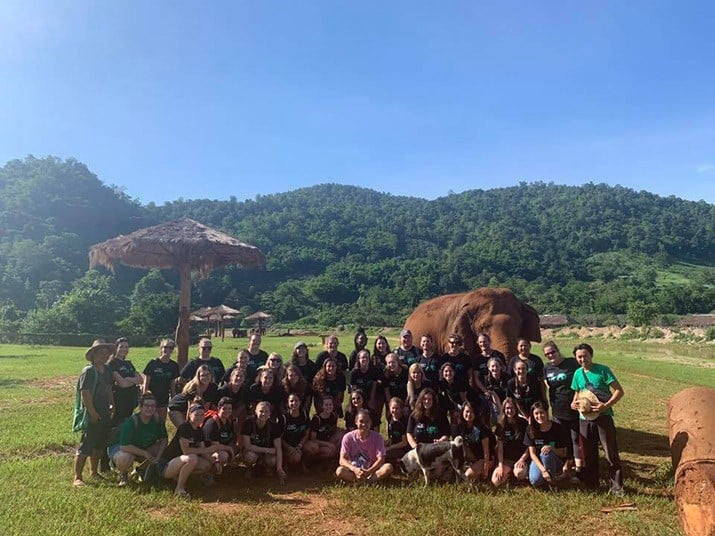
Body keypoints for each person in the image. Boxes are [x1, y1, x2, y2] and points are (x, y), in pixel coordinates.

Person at [569, 343, 625, 495]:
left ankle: (617, 487)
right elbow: (577, 393)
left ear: (591, 355)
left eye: (585, 356)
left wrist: (605, 406)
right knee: (589, 453)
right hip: (584, 419)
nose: (582, 359)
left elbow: (619, 391)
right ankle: (592, 484)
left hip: (603, 418)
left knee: (610, 453)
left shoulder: (603, 370)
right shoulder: (577, 373)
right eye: (579, 357)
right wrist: (574, 403)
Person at [73, 340, 115, 487]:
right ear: (93, 355)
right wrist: (92, 412)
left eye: (106, 353)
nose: (104, 356)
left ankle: (94, 472)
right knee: (86, 444)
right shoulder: (89, 371)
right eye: (100, 353)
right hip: (93, 412)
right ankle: (77, 477)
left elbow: (109, 388)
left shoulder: (107, 370)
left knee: (99, 445)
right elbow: (85, 393)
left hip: (104, 412)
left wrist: (112, 405)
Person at [110, 393, 168, 487]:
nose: (150, 408)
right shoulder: (131, 422)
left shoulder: (158, 421)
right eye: (146, 405)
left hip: (142, 446)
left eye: (153, 406)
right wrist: (145, 453)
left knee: (159, 449)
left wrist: (158, 457)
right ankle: (123, 474)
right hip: (123, 448)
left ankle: (140, 470)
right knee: (124, 458)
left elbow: (164, 439)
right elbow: (124, 446)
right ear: (140, 407)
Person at [542, 340, 582, 474]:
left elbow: (581, 379)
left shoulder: (571, 363)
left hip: (573, 408)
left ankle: (578, 467)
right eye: (547, 354)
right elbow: (546, 383)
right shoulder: (547, 367)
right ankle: (566, 462)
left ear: (558, 351)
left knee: (575, 438)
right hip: (557, 410)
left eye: (552, 352)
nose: (550, 355)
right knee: (563, 438)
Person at [160, 403, 216, 498]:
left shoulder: (199, 431)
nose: (199, 417)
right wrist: (208, 450)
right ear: (190, 415)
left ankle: (178, 477)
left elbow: (203, 450)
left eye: (202, 414)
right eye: (196, 414)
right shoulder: (184, 428)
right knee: (192, 458)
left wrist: (215, 462)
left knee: (206, 465)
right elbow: (186, 451)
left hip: (180, 462)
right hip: (166, 464)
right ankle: (179, 488)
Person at [335, 409, 394, 483]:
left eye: (367, 422)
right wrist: (354, 469)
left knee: (388, 467)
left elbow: (381, 459)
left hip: (372, 470)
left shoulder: (378, 437)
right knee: (340, 471)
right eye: (361, 421)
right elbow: (342, 460)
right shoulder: (348, 437)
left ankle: (363, 481)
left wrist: (369, 471)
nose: (364, 424)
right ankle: (365, 481)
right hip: (354, 470)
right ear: (356, 422)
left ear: (371, 423)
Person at [524, 402, 573, 488]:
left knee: (546, 454)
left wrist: (552, 448)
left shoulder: (557, 428)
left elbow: (564, 453)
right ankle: (550, 476)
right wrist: (543, 470)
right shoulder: (530, 429)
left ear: (547, 413)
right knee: (535, 481)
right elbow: (532, 454)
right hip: (538, 460)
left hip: (555, 460)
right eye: (536, 413)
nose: (539, 416)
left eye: (542, 413)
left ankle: (553, 482)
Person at [241, 401, 286, 483]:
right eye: (261, 411)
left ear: (270, 413)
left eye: (266, 412)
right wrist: (266, 450)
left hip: (267, 453)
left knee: (272, 460)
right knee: (250, 456)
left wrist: (279, 468)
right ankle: (249, 468)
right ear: (255, 412)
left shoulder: (274, 426)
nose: (263, 414)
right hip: (252, 451)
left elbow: (278, 449)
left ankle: (267, 467)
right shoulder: (248, 423)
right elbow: (247, 446)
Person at [491, 397, 529, 487]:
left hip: (521, 458)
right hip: (506, 460)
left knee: (519, 474)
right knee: (495, 481)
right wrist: (500, 466)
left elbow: (529, 446)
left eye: (512, 408)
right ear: (504, 409)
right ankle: (509, 474)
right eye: (507, 408)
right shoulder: (501, 425)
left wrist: (522, 459)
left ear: (516, 409)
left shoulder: (523, 423)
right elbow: (500, 449)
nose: (510, 410)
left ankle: (516, 474)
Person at [452, 401, 493, 482]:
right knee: (459, 444)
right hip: (473, 458)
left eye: (472, 412)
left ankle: (485, 470)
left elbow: (486, 451)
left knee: (468, 476)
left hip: (485, 458)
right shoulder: (459, 427)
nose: (469, 414)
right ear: (462, 412)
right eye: (467, 411)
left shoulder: (482, 428)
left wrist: (485, 468)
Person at [107, 337, 143, 427]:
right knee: (116, 423)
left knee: (126, 422)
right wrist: (132, 380)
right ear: (116, 348)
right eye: (121, 346)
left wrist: (127, 379)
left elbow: (141, 380)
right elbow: (122, 384)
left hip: (131, 399)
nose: (124, 349)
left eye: (126, 347)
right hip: (119, 399)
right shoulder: (112, 363)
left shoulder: (128, 363)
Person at [142, 338, 180, 421]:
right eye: (166, 347)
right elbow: (146, 381)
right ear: (161, 348)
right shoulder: (153, 363)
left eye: (171, 348)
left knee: (161, 421)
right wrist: (144, 396)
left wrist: (173, 398)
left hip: (164, 398)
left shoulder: (174, 365)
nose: (168, 349)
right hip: (152, 397)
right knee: (149, 419)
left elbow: (172, 383)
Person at [202, 397, 238, 475]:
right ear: (218, 408)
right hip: (207, 451)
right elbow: (215, 446)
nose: (227, 411)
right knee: (223, 455)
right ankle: (209, 473)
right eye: (224, 408)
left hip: (221, 447)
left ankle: (223, 469)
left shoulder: (229, 421)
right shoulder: (212, 423)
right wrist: (229, 449)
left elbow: (231, 438)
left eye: (229, 409)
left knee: (236, 447)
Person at [304, 397, 344, 461]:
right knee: (329, 452)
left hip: (327, 438)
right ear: (322, 406)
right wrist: (328, 444)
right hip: (317, 442)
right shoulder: (317, 419)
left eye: (330, 404)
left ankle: (337, 456)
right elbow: (312, 439)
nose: (328, 407)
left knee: (342, 434)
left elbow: (333, 429)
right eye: (326, 405)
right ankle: (314, 460)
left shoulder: (333, 416)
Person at [281, 393, 310, 469]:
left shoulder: (304, 415)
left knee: (313, 447)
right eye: (291, 401)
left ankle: (305, 462)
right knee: (296, 458)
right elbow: (279, 438)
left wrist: (300, 445)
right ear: (287, 403)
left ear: (300, 402)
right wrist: (288, 447)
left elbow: (307, 433)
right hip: (286, 446)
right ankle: (285, 462)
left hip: (300, 444)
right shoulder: (284, 418)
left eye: (296, 400)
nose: (294, 403)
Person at [383, 352, 409, 418]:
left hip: (404, 399)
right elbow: (387, 391)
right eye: (389, 363)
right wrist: (390, 405)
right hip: (392, 400)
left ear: (398, 362)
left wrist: (406, 404)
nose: (391, 364)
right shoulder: (386, 373)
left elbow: (409, 389)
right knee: (390, 415)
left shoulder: (405, 371)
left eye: (393, 362)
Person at [384, 397, 409, 463]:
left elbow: (404, 442)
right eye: (393, 408)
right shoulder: (390, 417)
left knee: (384, 453)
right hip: (393, 444)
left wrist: (390, 447)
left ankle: (398, 461)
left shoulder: (403, 422)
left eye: (397, 408)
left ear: (401, 409)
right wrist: (386, 442)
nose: (394, 410)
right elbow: (391, 435)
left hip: (402, 447)